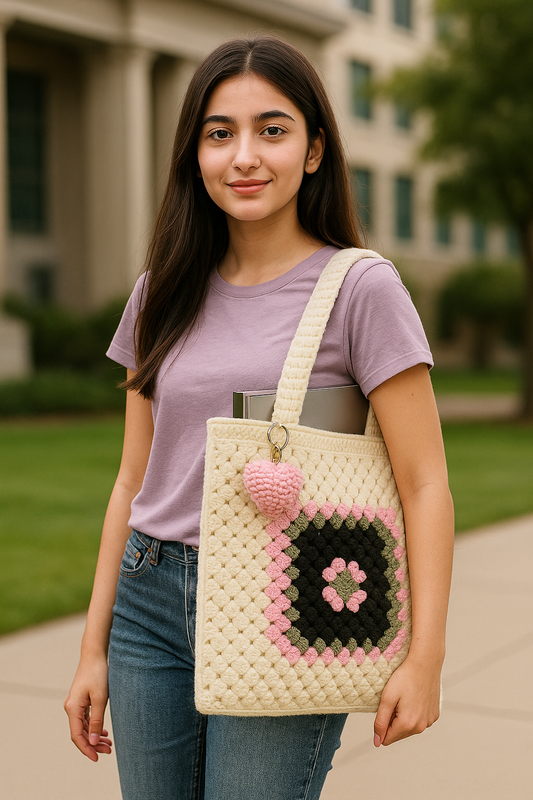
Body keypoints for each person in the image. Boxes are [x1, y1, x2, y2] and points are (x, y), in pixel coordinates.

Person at [65, 35, 454, 800]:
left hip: (287, 594)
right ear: (195, 154)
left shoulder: (360, 289)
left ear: (313, 151)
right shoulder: (161, 290)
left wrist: (424, 655)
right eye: (220, 133)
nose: (244, 156)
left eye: (271, 130)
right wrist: (92, 648)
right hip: (148, 599)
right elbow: (130, 480)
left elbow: (425, 482)